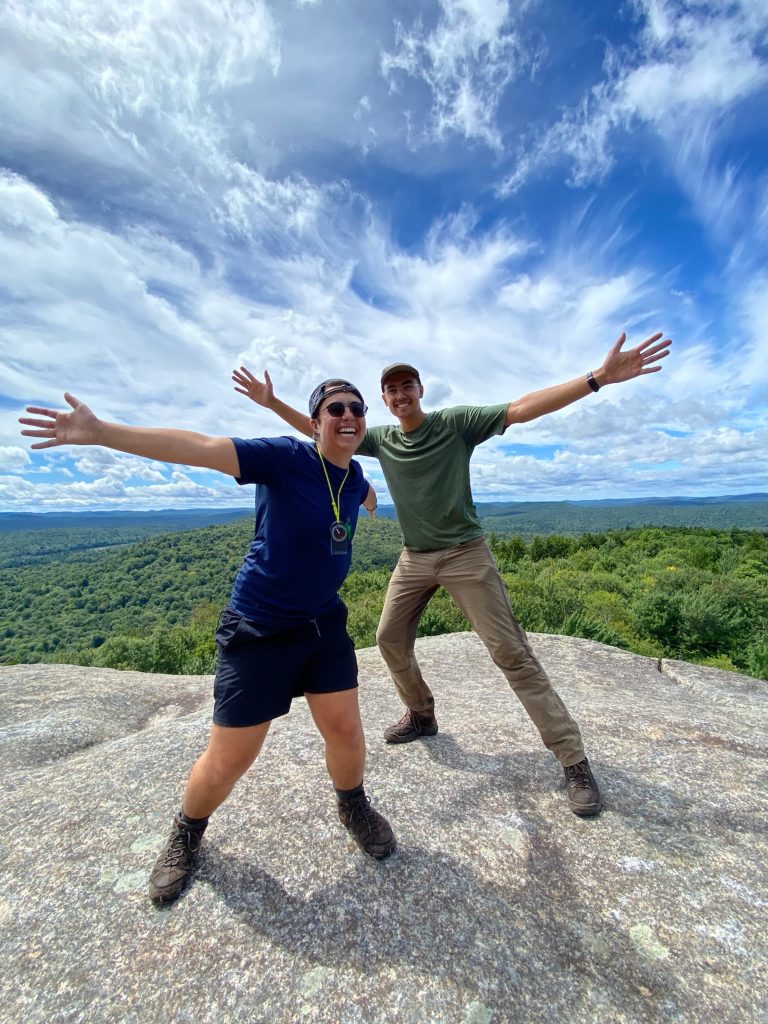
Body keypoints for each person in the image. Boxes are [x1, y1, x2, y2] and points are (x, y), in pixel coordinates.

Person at [232, 331, 672, 817]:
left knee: (511, 653)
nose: (400, 395)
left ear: (421, 390)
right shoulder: (378, 438)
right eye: (392, 390)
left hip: (465, 553)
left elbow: (522, 408)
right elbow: (324, 430)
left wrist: (598, 379)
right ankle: (421, 713)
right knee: (389, 639)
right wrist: (274, 404)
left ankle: (573, 760)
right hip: (415, 555)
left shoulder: (456, 425)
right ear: (384, 400)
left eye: (408, 386)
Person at [19, 379, 395, 905]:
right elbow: (199, 447)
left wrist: (373, 498)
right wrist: (102, 432)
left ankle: (351, 803)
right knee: (231, 758)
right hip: (261, 626)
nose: (349, 416)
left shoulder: (354, 476)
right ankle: (187, 831)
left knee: (347, 730)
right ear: (314, 423)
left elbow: (363, 492)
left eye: (357, 409)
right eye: (336, 409)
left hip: (322, 625)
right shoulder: (285, 459)